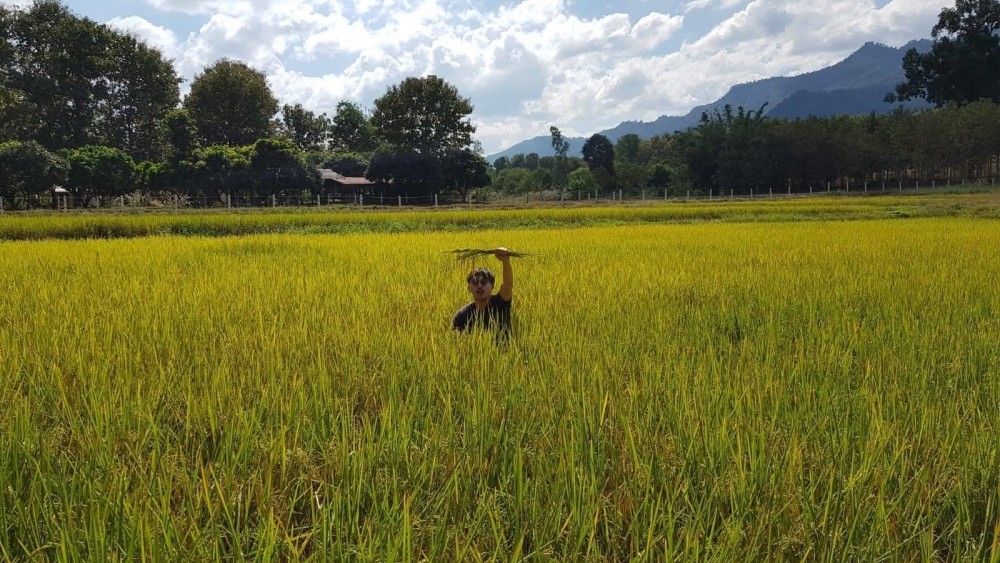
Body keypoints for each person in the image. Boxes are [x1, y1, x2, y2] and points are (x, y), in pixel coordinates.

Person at [452, 247, 513, 335]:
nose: (479, 286)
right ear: (469, 288)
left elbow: (508, 284)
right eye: (475, 283)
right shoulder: (462, 315)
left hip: (504, 349)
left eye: (483, 282)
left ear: (492, 286)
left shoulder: (500, 303)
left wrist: (505, 261)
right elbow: (457, 342)